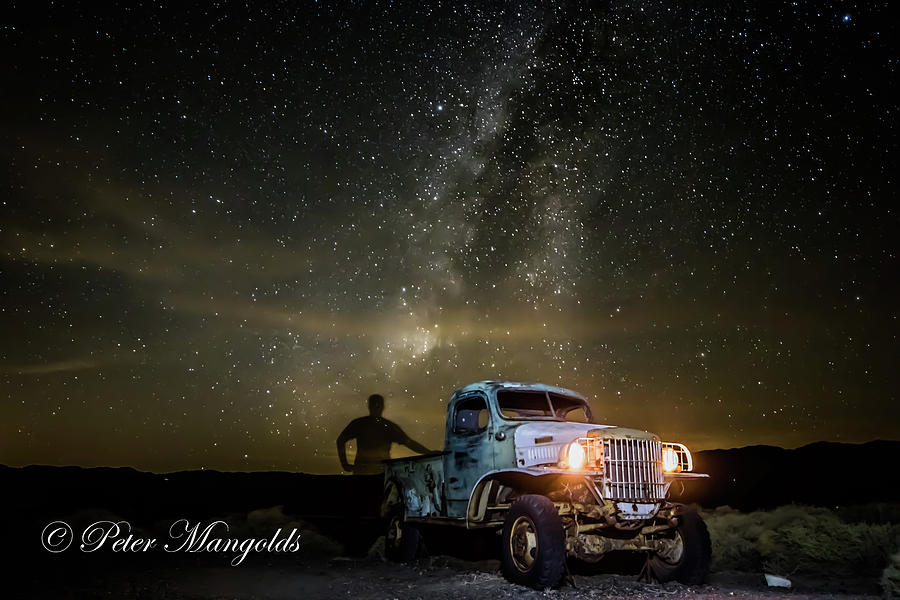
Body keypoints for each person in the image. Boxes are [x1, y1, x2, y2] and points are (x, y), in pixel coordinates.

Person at [336, 393, 431, 474]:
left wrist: (345, 465)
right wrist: (428, 453)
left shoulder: (360, 424)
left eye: (377, 405)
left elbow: (340, 440)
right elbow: (409, 443)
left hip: (368, 471)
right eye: (376, 405)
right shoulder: (387, 426)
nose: (377, 408)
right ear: (382, 407)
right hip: (377, 472)